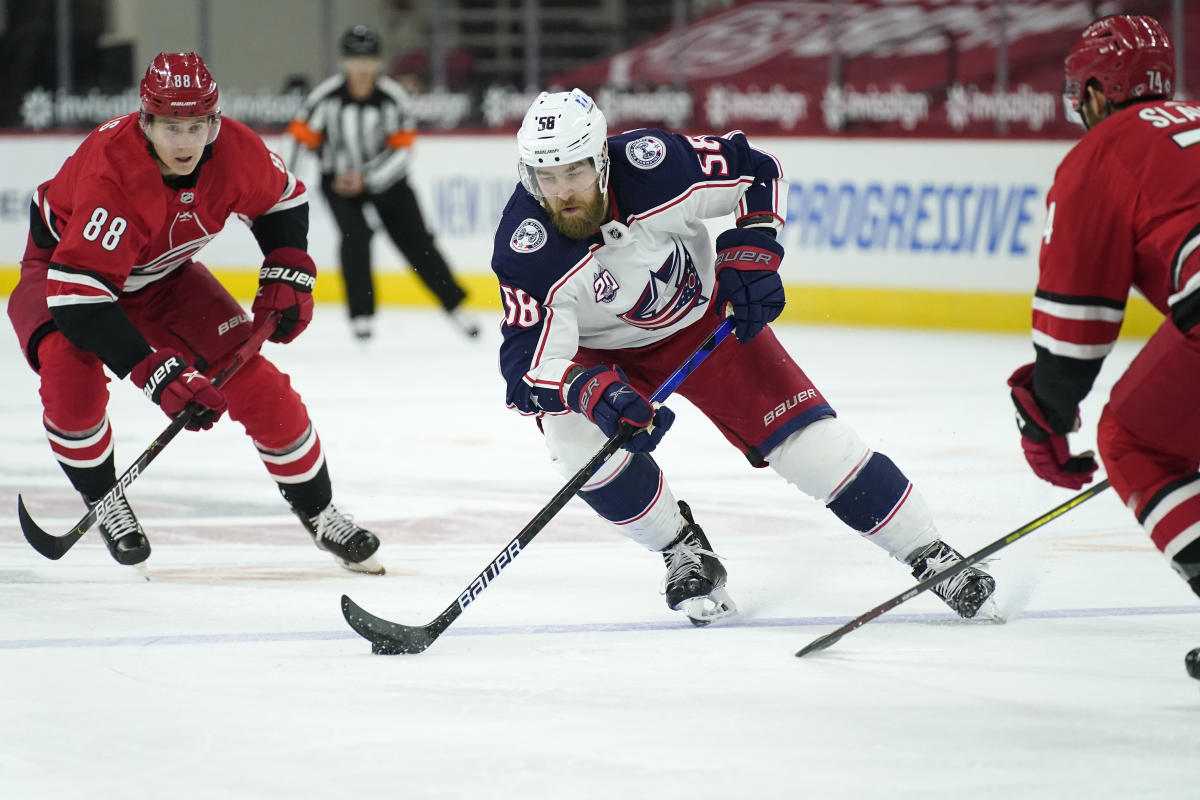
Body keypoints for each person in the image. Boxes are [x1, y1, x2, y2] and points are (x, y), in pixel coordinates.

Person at [490, 88, 996, 625]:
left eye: (575, 172)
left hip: (706, 324)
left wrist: (754, 249)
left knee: (813, 447)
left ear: (602, 161)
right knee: (572, 439)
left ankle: (931, 553)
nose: (562, 193)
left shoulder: (655, 165)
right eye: (547, 177)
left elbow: (756, 170)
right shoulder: (526, 247)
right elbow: (524, 372)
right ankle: (682, 549)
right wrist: (589, 391)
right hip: (602, 355)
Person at [6, 52, 384, 574]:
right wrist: (157, 374)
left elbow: (284, 202)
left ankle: (319, 512)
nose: (185, 142)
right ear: (146, 122)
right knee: (72, 386)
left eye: (196, 126)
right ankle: (106, 498)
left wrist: (286, 265)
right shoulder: (113, 172)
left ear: (214, 121)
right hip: (63, 278)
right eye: (170, 127)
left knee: (259, 388)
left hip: (163, 278)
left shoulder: (233, 148)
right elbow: (82, 301)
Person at [1007, 16, 1200, 632]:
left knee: (1132, 439)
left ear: (1095, 90)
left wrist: (1046, 419)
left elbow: (1075, 328)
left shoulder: (1101, 153)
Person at [282, 25, 477, 341]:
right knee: (354, 236)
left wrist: (368, 178)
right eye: (355, 59)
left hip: (389, 182)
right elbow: (298, 140)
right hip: (339, 182)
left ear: (378, 62)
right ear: (345, 62)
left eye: (368, 59)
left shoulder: (392, 98)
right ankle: (361, 316)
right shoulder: (325, 98)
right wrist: (285, 185)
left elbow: (403, 150)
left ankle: (455, 306)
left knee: (417, 242)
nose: (361, 67)